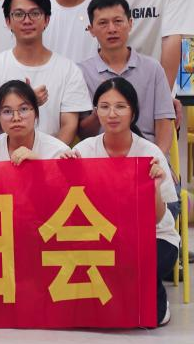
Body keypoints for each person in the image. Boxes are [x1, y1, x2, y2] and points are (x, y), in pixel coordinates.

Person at [64, 78, 179, 326]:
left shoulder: (150, 153)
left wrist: (154, 189)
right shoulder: (85, 151)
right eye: (104, 107)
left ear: (133, 112)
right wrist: (67, 172)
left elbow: (159, 219)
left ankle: (156, 299)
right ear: (96, 111)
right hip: (104, 237)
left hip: (153, 236)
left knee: (148, 311)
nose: (112, 114)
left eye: (120, 107)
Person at [0, 0, 90, 144]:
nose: (27, 20)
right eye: (19, 14)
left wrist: (47, 156)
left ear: (47, 20)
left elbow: (69, 126)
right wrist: (28, 101)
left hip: (52, 155)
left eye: (35, 13)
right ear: (8, 21)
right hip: (3, 155)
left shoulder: (69, 69)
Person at [77, 0, 176, 148]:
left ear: (130, 24)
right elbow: (82, 133)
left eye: (118, 21)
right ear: (91, 30)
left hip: (146, 154)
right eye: (103, 23)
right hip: (100, 155)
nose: (111, 29)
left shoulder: (153, 68)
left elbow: (164, 122)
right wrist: (101, 108)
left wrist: (159, 158)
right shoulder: (81, 72)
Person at [0, 80, 71, 164]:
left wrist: (39, 165)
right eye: (7, 111)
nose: (16, 118)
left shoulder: (58, 151)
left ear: (36, 113)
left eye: (23, 109)